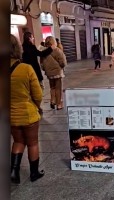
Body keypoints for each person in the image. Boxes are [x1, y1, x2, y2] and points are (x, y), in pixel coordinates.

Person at [10, 34, 44, 184]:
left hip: (10, 114)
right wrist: (37, 106)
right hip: (27, 113)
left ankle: (13, 172)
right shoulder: (26, 68)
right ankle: (34, 173)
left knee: (18, 141)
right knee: (32, 143)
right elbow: (38, 94)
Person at [41, 36, 67, 110]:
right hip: (57, 72)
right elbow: (63, 61)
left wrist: (45, 69)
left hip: (49, 73)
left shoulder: (44, 51)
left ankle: (52, 101)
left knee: (52, 87)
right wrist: (62, 67)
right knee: (58, 88)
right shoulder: (57, 50)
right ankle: (59, 104)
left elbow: (42, 64)